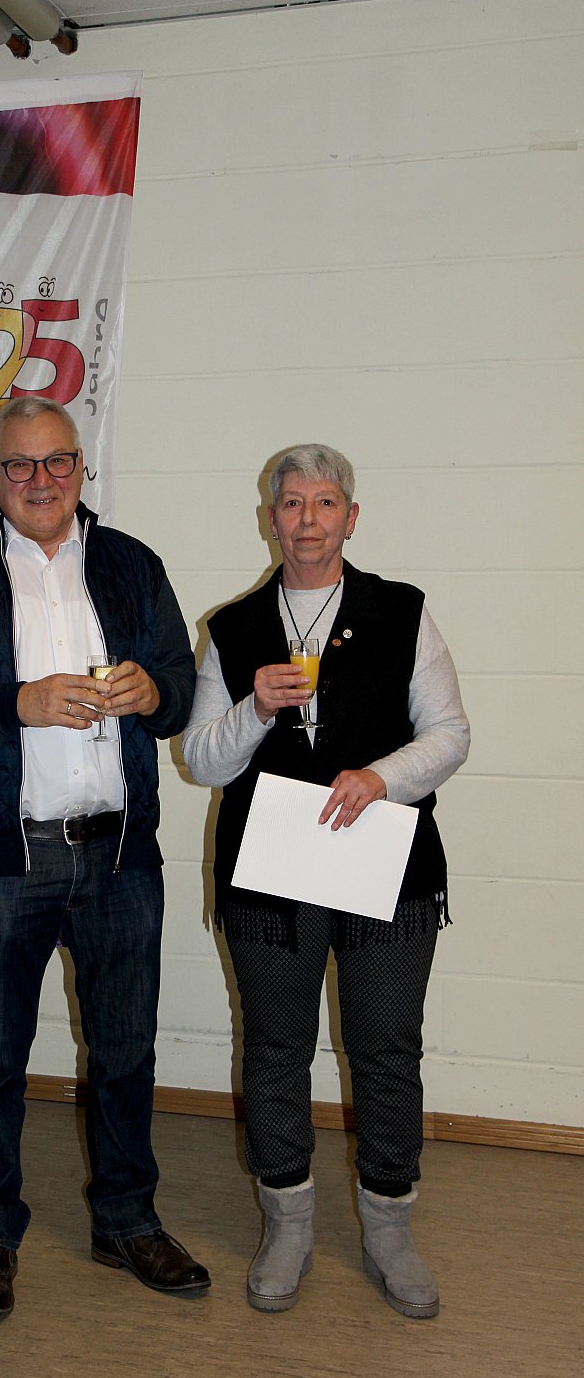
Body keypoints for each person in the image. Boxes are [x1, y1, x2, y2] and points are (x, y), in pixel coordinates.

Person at [0, 396, 209, 1320]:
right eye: (20, 465)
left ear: (81, 468)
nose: (40, 480)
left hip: (120, 853)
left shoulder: (131, 564)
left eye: (58, 462)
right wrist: (17, 703)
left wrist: (153, 689)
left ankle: (125, 1220)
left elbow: (182, 692)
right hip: (8, 857)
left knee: (124, 1051)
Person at [182, 444, 469, 1320]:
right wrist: (253, 708)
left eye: (324, 502)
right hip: (270, 874)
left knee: (384, 1047)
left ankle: (388, 1227)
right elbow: (201, 760)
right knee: (274, 1047)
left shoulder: (400, 610)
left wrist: (382, 777)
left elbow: (449, 733)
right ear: (268, 518)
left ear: (350, 517)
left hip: (387, 863)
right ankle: (287, 1223)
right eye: (291, 503)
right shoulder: (231, 627)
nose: (306, 519)